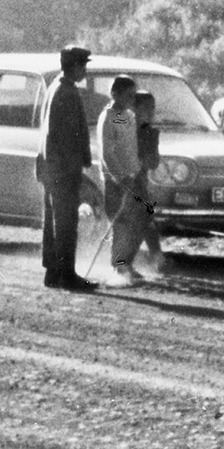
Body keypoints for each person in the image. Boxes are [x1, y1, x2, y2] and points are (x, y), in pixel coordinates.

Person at [40, 44, 96, 290]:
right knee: (65, 224)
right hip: (62, 168)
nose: (84, 70)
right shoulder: (67, 93)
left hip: (52, 167)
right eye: (83, 66)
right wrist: (78, 162)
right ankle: (66, 274)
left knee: (54, 221)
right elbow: (68, 136)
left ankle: (54, 272)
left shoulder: (56, 88)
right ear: (74, 67)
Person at [96, 75, 146, 287]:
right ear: (115, 94)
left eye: (134, 95)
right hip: (116, 182)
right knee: (121, 224)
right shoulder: (107, 118)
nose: (132, 99)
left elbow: (129, 145)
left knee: (135, 222)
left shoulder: (126, 116)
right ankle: (118, 268)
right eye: (129, 95)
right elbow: (108, 152)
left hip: (133, 178)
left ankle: (127, 263)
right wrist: (119, 177)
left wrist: (136, 171)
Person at [133, 90, 166, 271]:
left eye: (152, 108)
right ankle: (126, 260)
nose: (151, 113)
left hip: (141, 182)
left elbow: (154, 163)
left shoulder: (151, 133)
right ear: (134, 109)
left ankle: (157, 257)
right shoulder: (126, 128)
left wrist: (147, 160)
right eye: (146, 108)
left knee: (146, 217)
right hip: (124, 181)